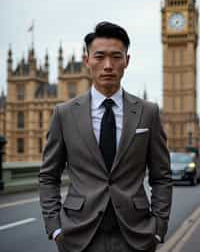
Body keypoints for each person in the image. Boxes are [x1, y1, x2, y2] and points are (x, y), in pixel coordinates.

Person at [39, 21, 172, 252]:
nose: (108, 65)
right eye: (99, 56)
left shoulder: (148, 112)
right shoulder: (64, 113)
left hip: (136, 235)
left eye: (116, 57)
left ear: (127, 61)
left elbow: (161, 177)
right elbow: (48, 176)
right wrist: (56, 228)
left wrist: (158, 229)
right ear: (87, 60)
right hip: (78, 236)